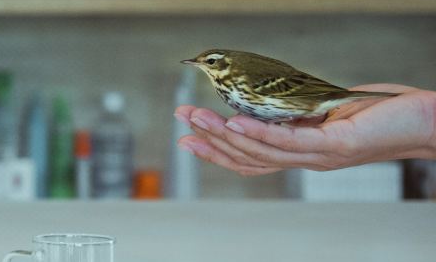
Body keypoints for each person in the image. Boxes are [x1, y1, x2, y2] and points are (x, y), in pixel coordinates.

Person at [175, 84, 436, 176]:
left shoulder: (245, 79)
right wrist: (425, 121)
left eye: (211, 62)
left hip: (310, 102)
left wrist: (427, 120)